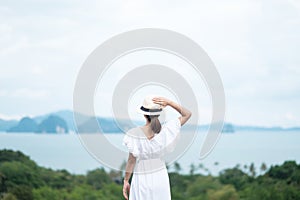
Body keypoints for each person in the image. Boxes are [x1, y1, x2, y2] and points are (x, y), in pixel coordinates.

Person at [122, 95, 192, 200]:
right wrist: (169, 102)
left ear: (144, 114)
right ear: (158, 114)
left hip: (141, 176)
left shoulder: (134, 134)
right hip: (160, 175)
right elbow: (187, 114)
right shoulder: (166, 130)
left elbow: (131, 161)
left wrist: (126, 180)